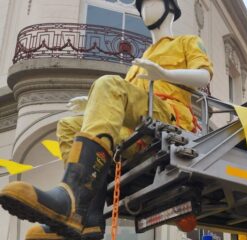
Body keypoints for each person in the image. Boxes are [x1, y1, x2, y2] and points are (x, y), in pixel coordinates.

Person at [0, 0, 213, 239]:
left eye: (151, 2)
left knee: (108, 83)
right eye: (140, 5)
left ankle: (71, 197)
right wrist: (94, 103)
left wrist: (164, 74)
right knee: (68, 125)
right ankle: (86, 217)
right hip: (138, 125)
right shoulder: (139, 62)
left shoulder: (187, 42)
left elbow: (203, 76)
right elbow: (125, 102)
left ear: (171, 8)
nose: (144, 9)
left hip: (169, 117)